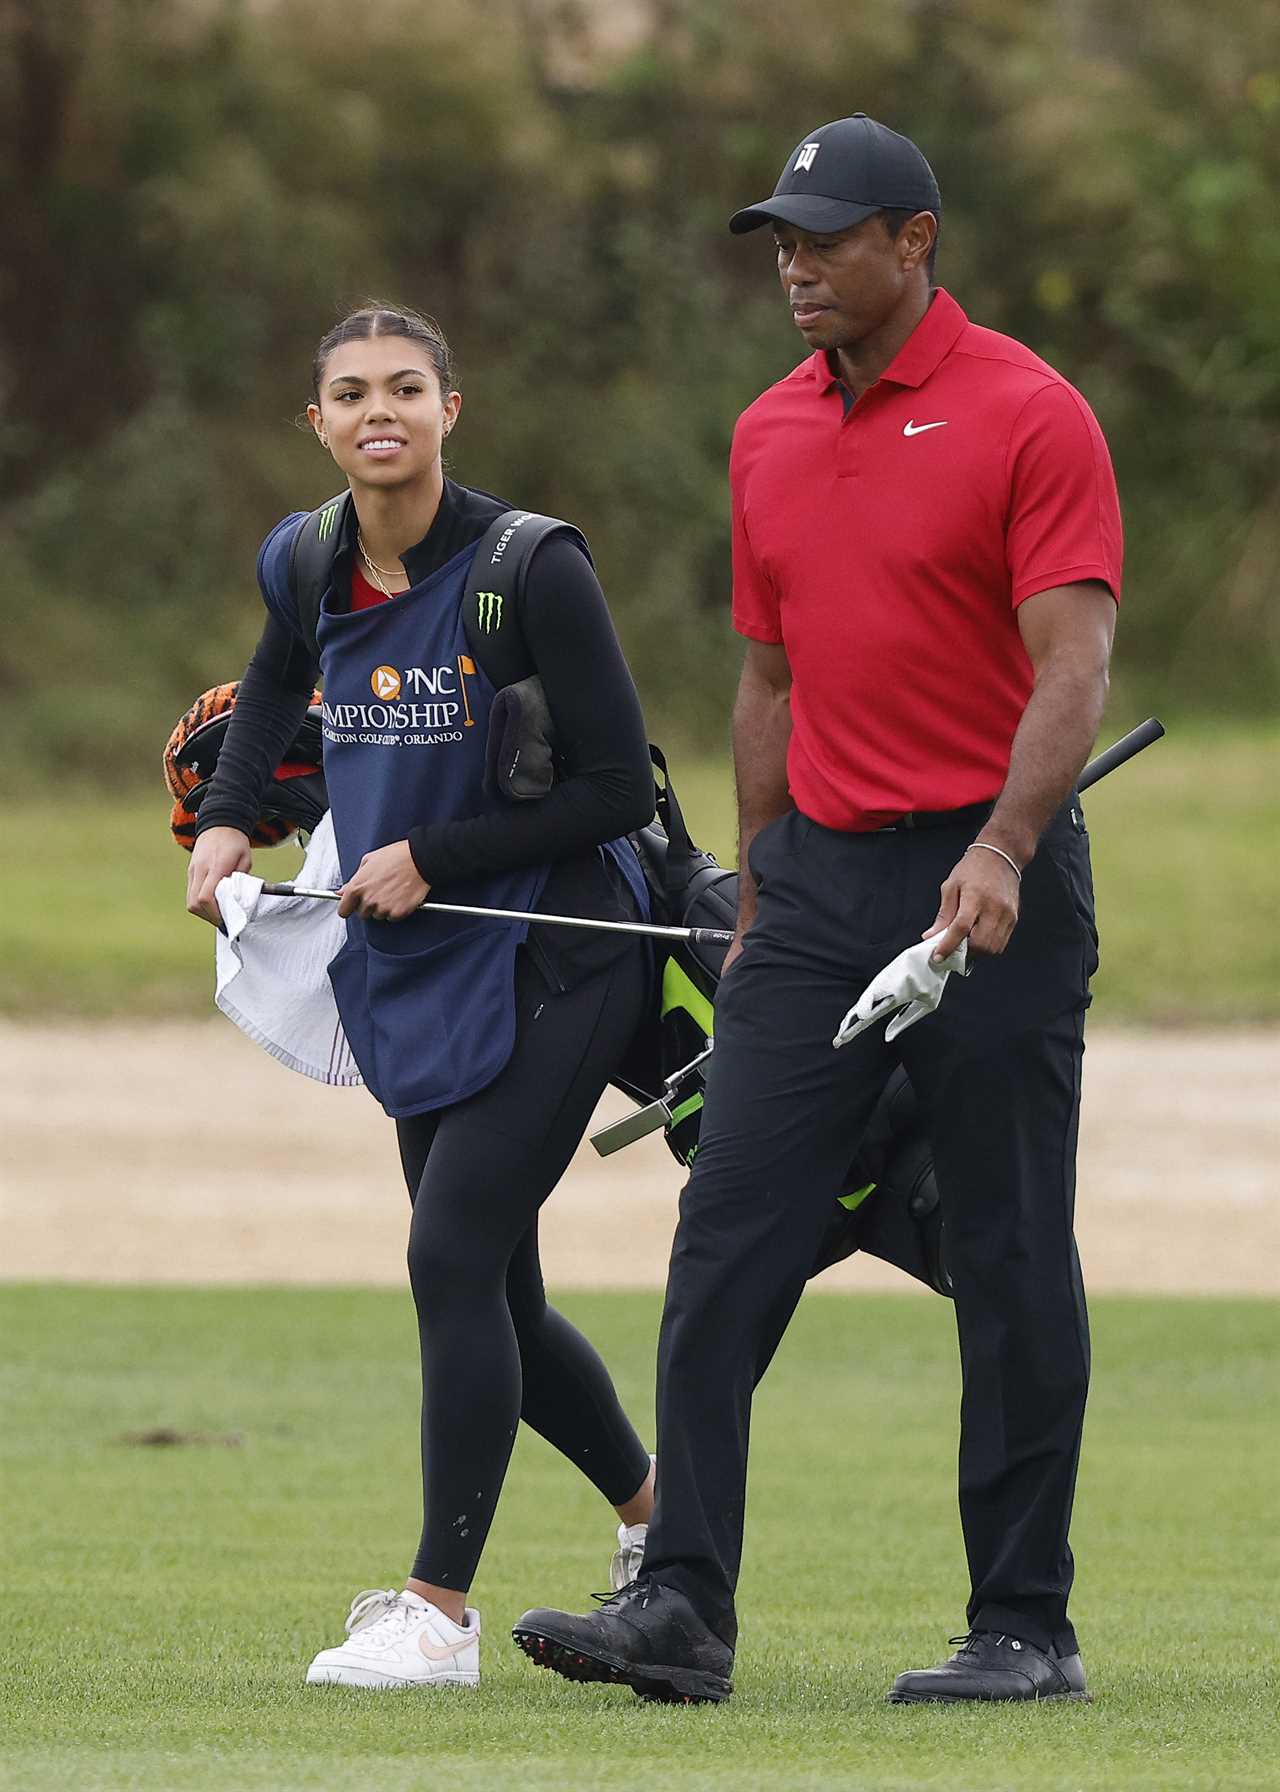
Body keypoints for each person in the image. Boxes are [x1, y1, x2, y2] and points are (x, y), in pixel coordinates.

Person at [514, 113, 1121, 1706]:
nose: (795, 263)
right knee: (729, 1236)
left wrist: (1001, 844)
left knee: (1001, 1242)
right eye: (780, 238)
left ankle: (1024, 1626)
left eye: (827, 236)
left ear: (915, 241)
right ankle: (686, 1606)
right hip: (821, 883)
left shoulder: (1028, 414)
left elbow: (1073, 665)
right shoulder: (769, 429)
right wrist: (758, 862)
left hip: (998, 875)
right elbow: (768, 669)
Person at [186, 302, 659, 1690]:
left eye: (406, 388)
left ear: (454, 407)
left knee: (450, 1255)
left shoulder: (533, 570)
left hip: (562, 946)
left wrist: (429, 855)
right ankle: (661, 1528)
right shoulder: (307, 558)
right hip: (414, 963)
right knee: (497, 1294)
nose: (378, 411)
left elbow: (615, 791)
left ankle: (436, 1615)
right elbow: (275, 690)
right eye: (350, 393)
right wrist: (225, 822)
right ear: (318, 423)